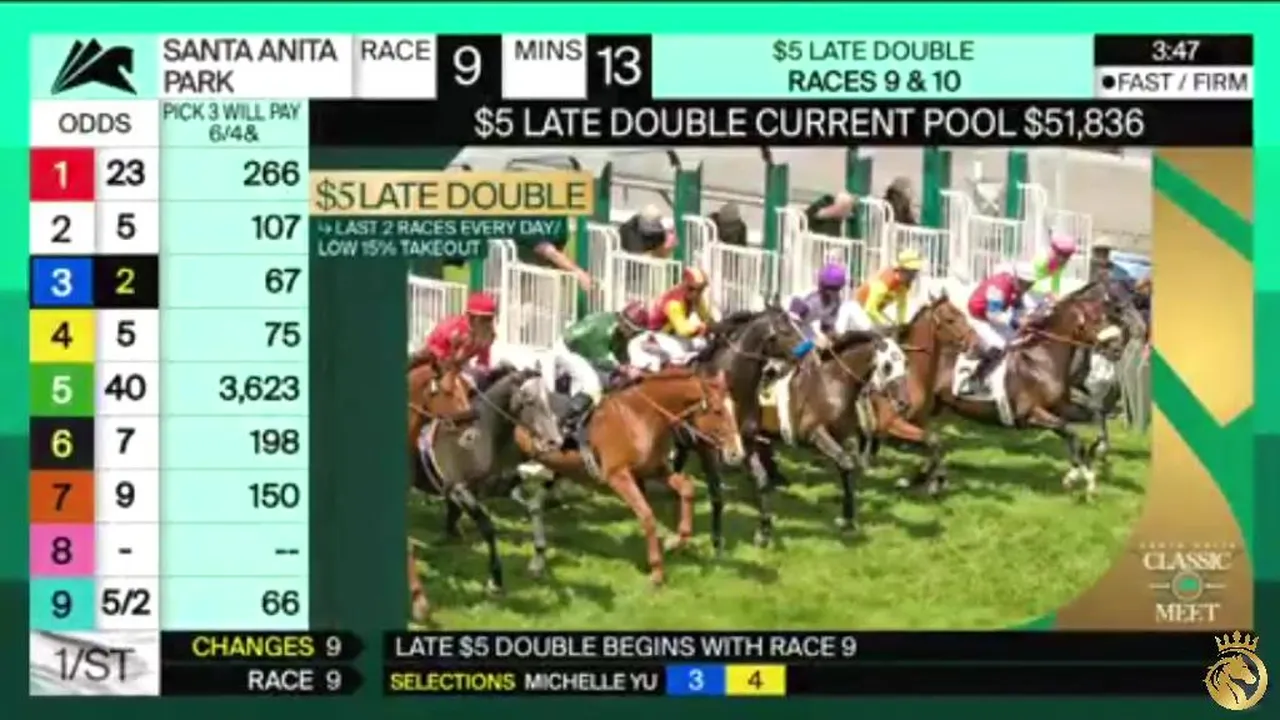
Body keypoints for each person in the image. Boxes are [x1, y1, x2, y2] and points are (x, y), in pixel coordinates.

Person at [957, 261, 1038, 395]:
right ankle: (973, 379)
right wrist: (1017, 322)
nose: (1028, 287)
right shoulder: (999, 286)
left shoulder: (1018, 287)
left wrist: (1026, 320)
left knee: (1018, 340)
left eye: (1031, 284)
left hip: (993, 316)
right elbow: (993, 314)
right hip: (977, 316)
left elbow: (1018, 308)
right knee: (998, 345)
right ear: (1017, 278)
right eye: (1026, 283)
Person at [630, 267, 719, 370]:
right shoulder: (674, 302)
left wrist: (715, 326)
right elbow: (683, 329)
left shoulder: (695, 298)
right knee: (680, 353)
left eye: (700, 290)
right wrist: (701, 327)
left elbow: (706, 317)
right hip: (659, 336)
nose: (697, 294)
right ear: (685, 286)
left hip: (674, 336)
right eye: (693, 289)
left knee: (705, 344)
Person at [421, 292, 499, 385]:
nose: (487, 323)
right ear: (471, 316)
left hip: (460, 365)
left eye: (490, 319)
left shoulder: (486, 335)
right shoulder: (452, 328)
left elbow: (483, 361)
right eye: (484, 319)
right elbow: (432, 347)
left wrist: (485, 374)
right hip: (435, 360)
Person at [787, 263, 861, 360]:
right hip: (788, 323)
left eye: (838, 288)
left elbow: (827, 327)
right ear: (823, 286)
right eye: (832, 288)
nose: (835, 292)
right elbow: (792, 321)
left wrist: (834, 338)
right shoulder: (808, 298)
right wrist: (813, 340)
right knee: (804, 349)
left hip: (804, 324)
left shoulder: (835, 302)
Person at [854, 248, 924, 328]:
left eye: (916, 272)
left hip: (875, 311)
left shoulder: (904, 284)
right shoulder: (885, 281)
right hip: (859, 309)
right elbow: (869, 309)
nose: (914, 276)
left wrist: (901, 325)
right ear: (902, 269)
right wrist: (886, 324)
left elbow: (901, 306)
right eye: (912, 272)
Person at [1027, 234, 1080, 306]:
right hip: (1029, 291)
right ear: (1056, 253)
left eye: (1068, 256)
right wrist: (1053, 297)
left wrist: (1057, 296)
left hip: (1043, 293)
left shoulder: (1059, 264)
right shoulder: (1041, 260)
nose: (1067, 260)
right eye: (1066, 256)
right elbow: (1040, 283)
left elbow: (1055, 282)